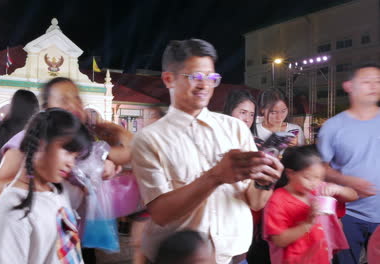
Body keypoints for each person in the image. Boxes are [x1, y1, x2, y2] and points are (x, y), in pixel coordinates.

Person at [131, 39, 283, 264]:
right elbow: (161, 213)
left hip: (235, 257)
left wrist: (264, 182)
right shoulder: (149, 138)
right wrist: (216, 176)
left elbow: (255, 201)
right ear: (168, 79)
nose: (205, 85)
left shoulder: (235, 128)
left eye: (211, 78)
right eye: (195, 77)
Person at [0, 108, 91, 263]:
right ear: (40, 143)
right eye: (67, 151)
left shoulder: (57, 191)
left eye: (75, 156)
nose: (71, 163)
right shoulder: (10, 210)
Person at [317, 63, 380, 264]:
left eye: (378, 81)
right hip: (348, 215)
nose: (374, 86)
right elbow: (319, 170)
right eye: (366, 82)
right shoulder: (333, 127)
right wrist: (345, 180)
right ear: (348, 86)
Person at [264, 145, 357, 264]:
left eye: (320, 177)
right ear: (290, 173)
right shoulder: (277, 200)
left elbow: (353, 196)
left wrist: (338, 189)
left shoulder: (319, 189)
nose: (315, 183)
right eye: (308, 178)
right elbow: (278, 240)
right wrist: (307, 224)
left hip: (321, 257)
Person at [0, 89, 39, 171]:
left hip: (1, 176)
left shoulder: (0, 127)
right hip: (26, 178)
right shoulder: (38, 128)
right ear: (35, 106)